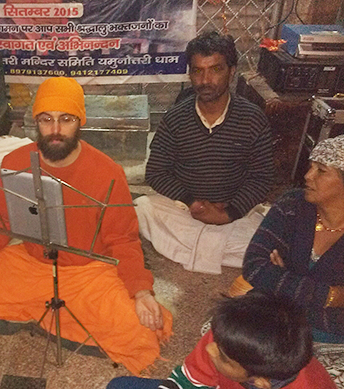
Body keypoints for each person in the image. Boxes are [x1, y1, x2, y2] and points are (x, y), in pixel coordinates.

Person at [0, 77, 173, 374]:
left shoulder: (107, 172)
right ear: (36, 122)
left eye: (66, 119)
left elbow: (124, 241)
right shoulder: (17, 160)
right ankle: (43, 308)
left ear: (80, 121)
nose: (56, 130)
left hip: (88, 273)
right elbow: (0, 224)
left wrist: (141, 292)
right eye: (47, 120)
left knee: (139, 330)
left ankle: (43, 310)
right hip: (31, 264)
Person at [135, 31, 274, 274]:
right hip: (185, 210)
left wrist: (228, 213)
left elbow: (261, 178)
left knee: (273, 238)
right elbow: (155, 171)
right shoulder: (176, 119)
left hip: (234, 212)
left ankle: (191, 247)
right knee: (142, 208)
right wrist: (193, 203)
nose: (205, 80)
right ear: (190, 74)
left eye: (215, 70)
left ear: (231, 72)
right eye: (198, 71)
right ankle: (214, 247)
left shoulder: (252, 118)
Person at [107, 292, 336, 389]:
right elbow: (188, 380)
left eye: (223, 358)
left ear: (262, 382)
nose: (209, 348)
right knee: (119, 386)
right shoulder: (226, 339)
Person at [242, 135, 344, 345]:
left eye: (321, 171)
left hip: (332, 335)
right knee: (221, 334)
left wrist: (282, 279)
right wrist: (331, 296)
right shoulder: (293, 204)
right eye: (310, 167)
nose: (307, 176)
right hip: (277, 316)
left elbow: (268, 278)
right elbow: (254, 266)